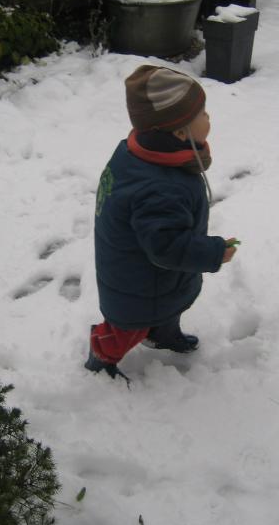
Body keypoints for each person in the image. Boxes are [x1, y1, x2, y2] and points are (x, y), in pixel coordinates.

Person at [85, 64, 237, 380]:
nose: (209, 119)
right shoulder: (159, 187)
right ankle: (101, 356)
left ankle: (164, 334)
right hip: (137, 283)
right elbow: (166, 247)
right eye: (202, 114)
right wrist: (212, 252)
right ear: (180, 132)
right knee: (124, 331)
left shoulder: (146, 154)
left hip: (154, 278)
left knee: (168, 307)